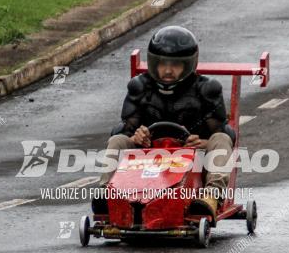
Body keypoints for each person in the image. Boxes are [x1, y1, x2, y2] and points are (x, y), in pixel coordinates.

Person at [93, 26, 235, 219]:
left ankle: (211, 196)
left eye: (175, 65)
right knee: (117, 140)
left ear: (187, 64)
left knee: (220, 139)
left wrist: (202, 142)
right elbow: (123, 130)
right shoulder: (140, 87)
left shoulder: (207, 90)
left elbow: (225, 135)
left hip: (194, 156)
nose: (168, 70)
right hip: (150, 155)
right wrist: (136, 137)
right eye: (162, 64)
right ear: (154, 63)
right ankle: (106, 193)